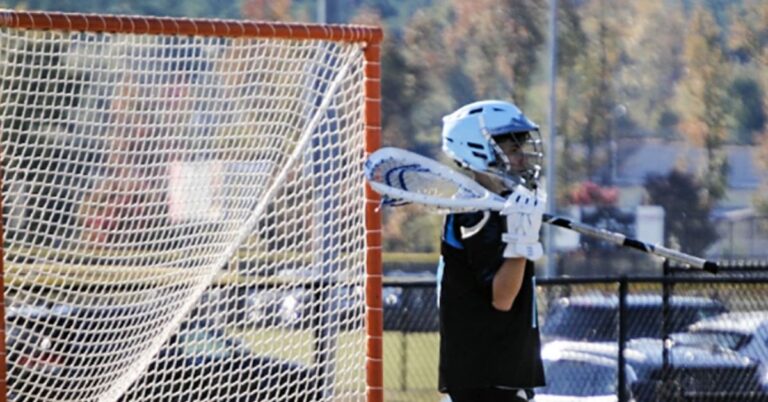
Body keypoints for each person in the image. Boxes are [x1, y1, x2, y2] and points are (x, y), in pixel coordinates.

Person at [437, 100, 547, 402]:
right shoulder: (476, 209)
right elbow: (502, 298)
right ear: (478, 149)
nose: (522, 157)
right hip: (485, 379)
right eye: (512, 149)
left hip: (501, 375)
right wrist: (522, 240)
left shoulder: (501, 206)